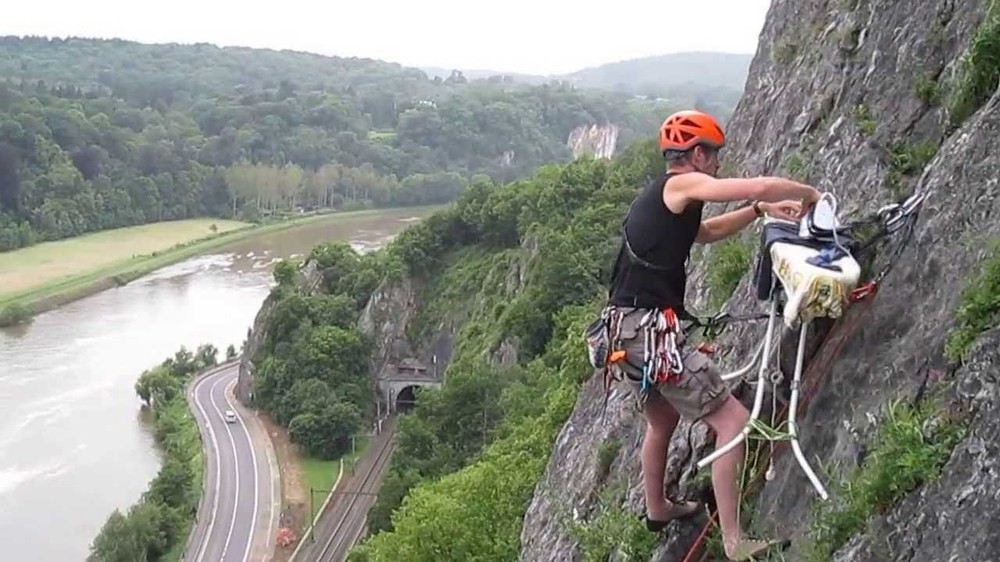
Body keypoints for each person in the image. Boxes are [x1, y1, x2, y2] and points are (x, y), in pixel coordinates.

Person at [603, 109, 821, 560]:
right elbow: (758, 183)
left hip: (624, 333)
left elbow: (703, 233)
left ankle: (658, 507)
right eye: (715, 155)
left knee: (662, 419)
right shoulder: (680, 185)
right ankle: (735, 543)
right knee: (733, 422)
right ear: (698, 154)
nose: (719, 163)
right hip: (648, 333)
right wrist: (809, 195)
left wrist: (757, 212)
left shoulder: (670, 200)